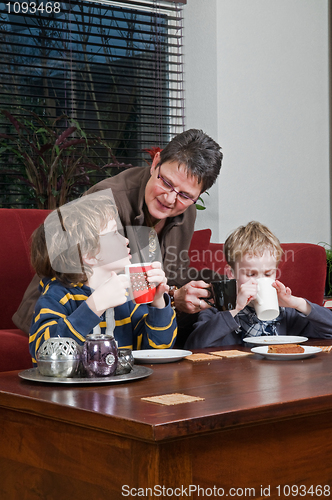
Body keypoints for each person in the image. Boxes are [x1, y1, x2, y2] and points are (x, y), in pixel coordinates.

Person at [13, 129, 223, 346]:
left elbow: (172, 274)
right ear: (155, 162)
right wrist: (173, 295)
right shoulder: (106, 200)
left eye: (186, 195)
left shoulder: (185, 212)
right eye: (167, 183)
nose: (170, 199)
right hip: (74, 313)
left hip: (125, 316)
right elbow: (101, 278)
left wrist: (195, 290)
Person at [29, 191, 177, 364]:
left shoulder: (127, 295)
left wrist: (158, 303)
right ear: (88, 255)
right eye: (114, 233)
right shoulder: (57, 296)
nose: (126, 240)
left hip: (124, 388)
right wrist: (94, 306)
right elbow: (44, 353)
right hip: (73, 390)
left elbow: (158, 350)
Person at [184, 221, 332, 349]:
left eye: (268, 274)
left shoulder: (287, 313)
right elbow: (195, 346)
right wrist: (234, 309)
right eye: (250, 274)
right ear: (231, 273)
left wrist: (298, 303)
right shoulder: (216, 310)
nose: (259, 281)